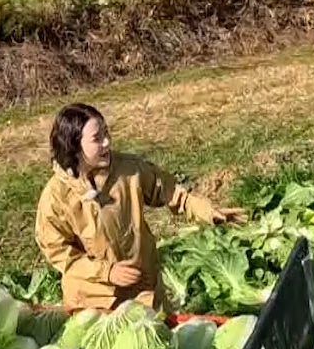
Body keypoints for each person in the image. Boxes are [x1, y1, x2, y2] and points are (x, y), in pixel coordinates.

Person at [34, 103, 246, 311]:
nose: (107, 142)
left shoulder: (129, 169)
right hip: (95, 304)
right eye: (97, 139)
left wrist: (206, 211)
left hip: (143, 289)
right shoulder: (55, 198)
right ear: (74, 148)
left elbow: (169, 190)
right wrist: (107, 272)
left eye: (107, 133)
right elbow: (60, 253)